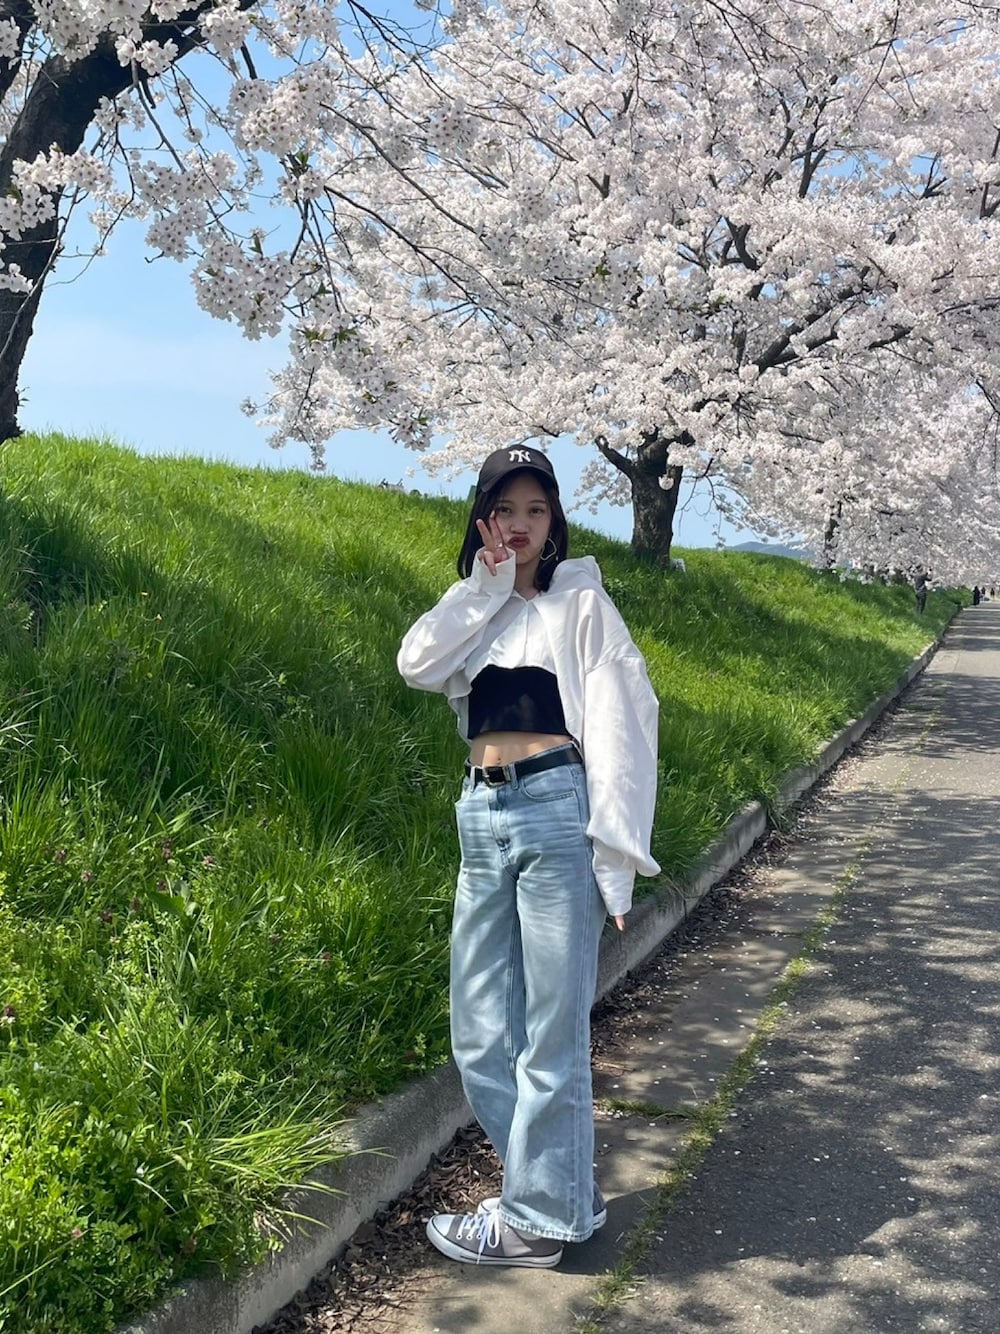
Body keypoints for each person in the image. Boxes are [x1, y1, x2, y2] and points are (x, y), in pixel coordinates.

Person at [397, 446, 660, 1269]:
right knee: (479, 1032)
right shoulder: (472, 604)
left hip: (554, 809)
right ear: (483, 518)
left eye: (535, 510)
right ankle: (559, 1191)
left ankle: (537, 1222)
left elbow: (622, 724)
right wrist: (483, 589)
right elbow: (417, 663)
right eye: (504, 509)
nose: (519, 525)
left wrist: (616, 857)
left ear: (554, 523)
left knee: (551, 1031)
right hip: (480, 813)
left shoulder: (582, 605)